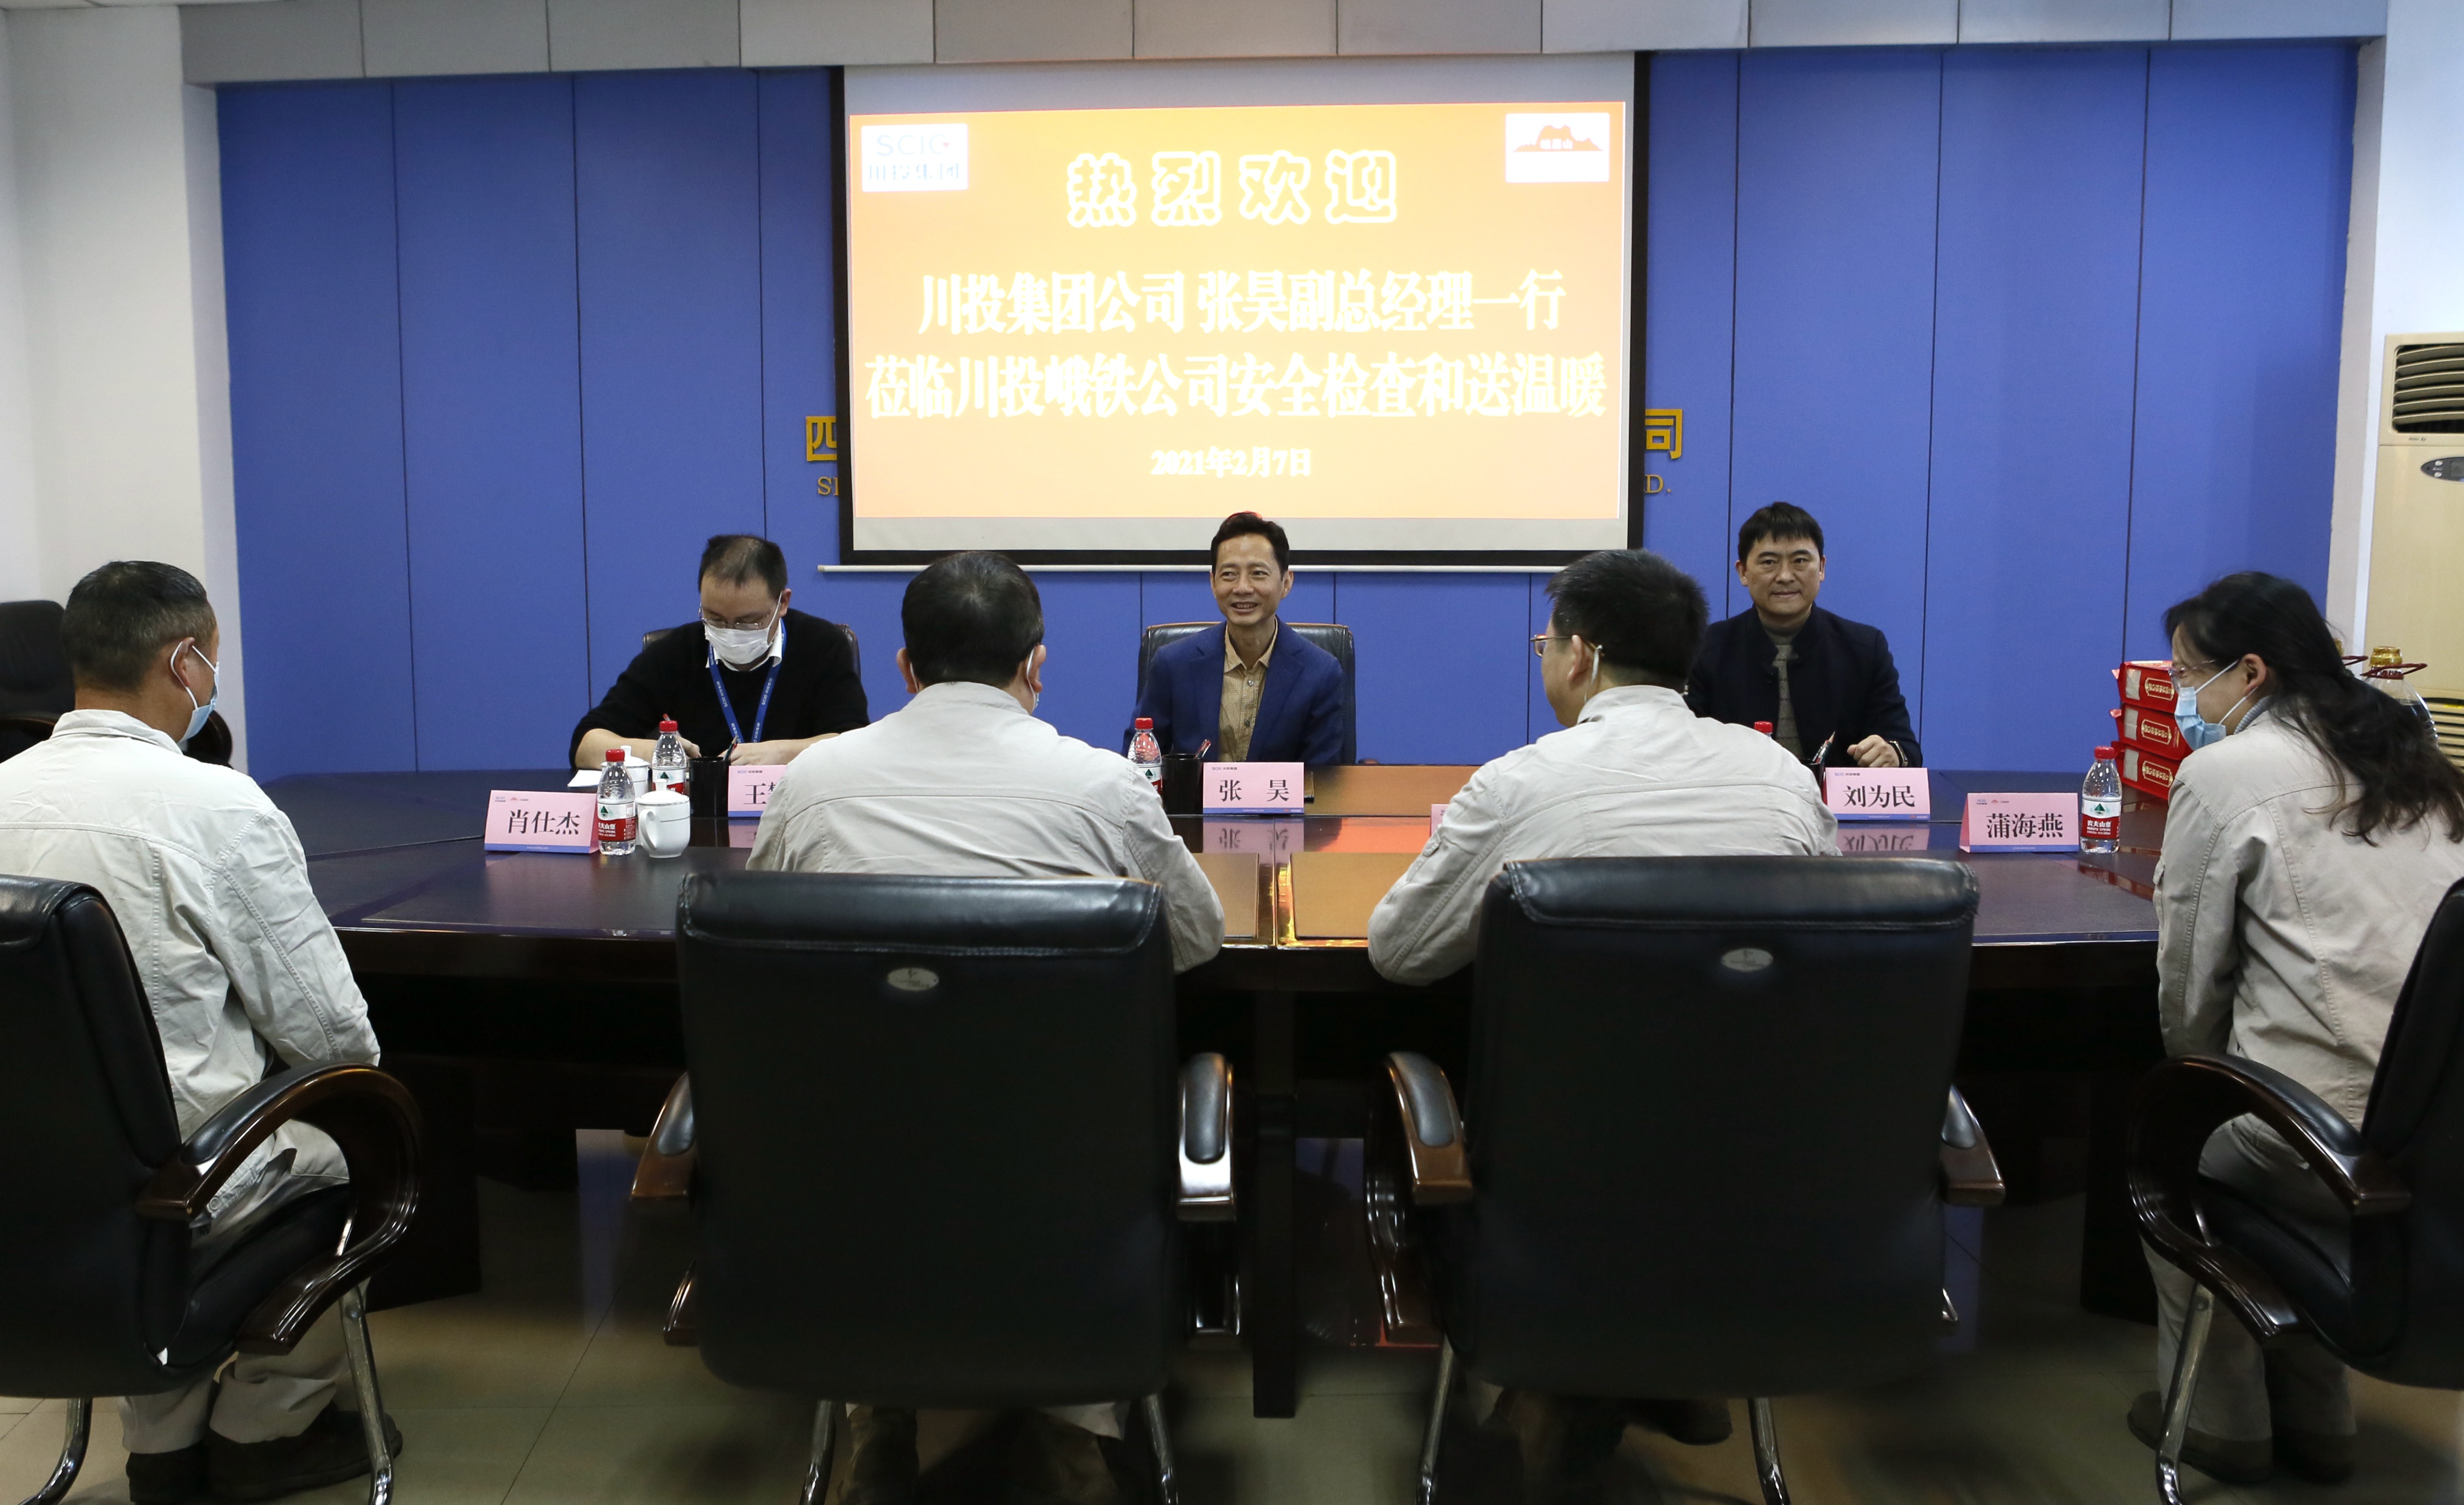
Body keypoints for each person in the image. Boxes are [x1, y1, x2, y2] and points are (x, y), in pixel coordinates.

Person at [749, 550, 1222, 1505]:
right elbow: (1198, 937)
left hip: (860, 1162)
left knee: (887, 1150)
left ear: (905, 667)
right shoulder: (1104, 788)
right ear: (1035, 665)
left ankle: (879, 1422)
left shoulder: (812, 783)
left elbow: (769, 956)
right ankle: (1075, 1432)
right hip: (1062, 1169)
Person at [1365, 549, 1834, 1496]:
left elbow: (1400, 952)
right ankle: (1668, 1365)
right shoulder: (1782, 778)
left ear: (1579, 655)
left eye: (1546, 644)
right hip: (1753, 1166)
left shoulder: (1520, 784)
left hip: (1563, 1179)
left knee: (1411, 1095)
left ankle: (1554, 1378)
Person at [0, 562, 396, 1505]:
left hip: (22, 1178)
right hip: (178, 1186)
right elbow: (332, 1034)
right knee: (352, 1145)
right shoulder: (215, 806)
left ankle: (163, 1446)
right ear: (187, 662)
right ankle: (265, 1426)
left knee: (124, 1155)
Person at [2129, 571, 2464, 1488]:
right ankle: (2319, 1417)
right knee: (2284, 1147)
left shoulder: (2226, 773)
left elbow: (2190, 979)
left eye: (2186, 675)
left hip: (2321, 1133)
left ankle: (2221, 1424)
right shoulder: (2411, 757)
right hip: (2439, 1133)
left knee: (2174, 1156)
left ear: (2250, 672)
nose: (2182, 698)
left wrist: (2194, 1083)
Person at [570, 534, 867, 770]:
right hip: (699, 812)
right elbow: (586, 743)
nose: (731, 631)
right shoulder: (674, 652)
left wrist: (782, 752)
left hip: (798, 805)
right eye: (715, 619)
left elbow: (854, 743)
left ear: (783, 603)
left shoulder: (823, 645)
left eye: (749, 621)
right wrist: (656, 751)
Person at [1685, 502, 1920, 769]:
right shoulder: (1705, 649)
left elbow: (1905, 747)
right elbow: (1683, 749)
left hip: (1832, 797)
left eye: (1800, 561)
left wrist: (1893, 753)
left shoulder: (1865, 649)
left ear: (1821, 568)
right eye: (1769, 562)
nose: (1785, 576)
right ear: (1743, 572)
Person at [1133, 511, 1349, 766]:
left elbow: (1323, 779)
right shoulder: (1173, 665)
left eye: (1258, 573)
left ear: (1286, 583)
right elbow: (1139, 764)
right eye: (1229, 574)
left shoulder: (1320, 673)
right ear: (1213, 583)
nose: (1242, 588)